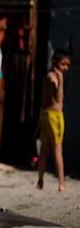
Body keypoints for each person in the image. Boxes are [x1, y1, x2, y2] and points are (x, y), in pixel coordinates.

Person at [37, 49, 71, 192]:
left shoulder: (47, 76)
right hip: (54, 116)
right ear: (54, 62)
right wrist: (61, 82)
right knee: (57, 149)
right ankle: (61, 184)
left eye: (67, 65)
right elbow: (58, 99)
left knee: (44, 148)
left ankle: (40, 181)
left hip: (45, 114)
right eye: (63, 64)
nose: (65, 68)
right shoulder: (54, 78)